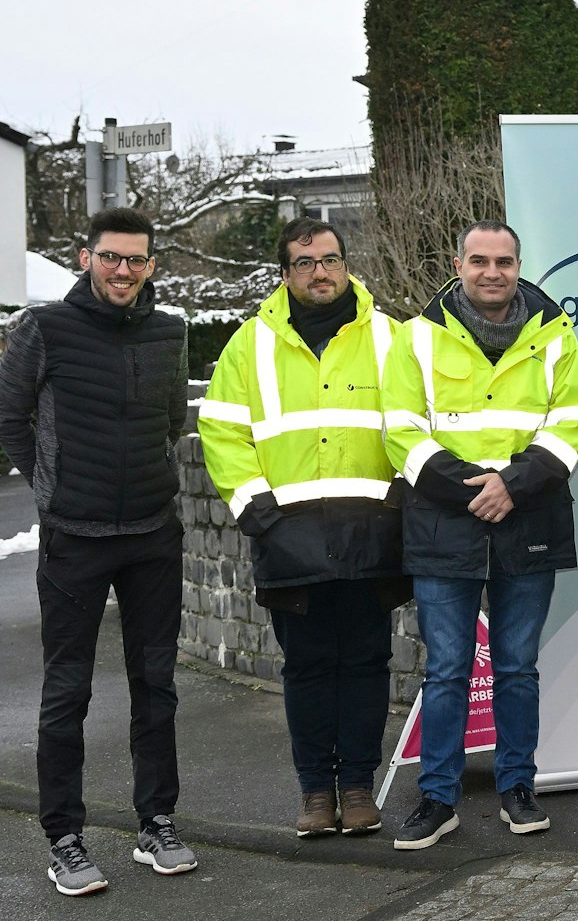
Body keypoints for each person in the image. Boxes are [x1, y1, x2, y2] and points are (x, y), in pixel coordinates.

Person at [0, 207, 197, 895]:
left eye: (136, 260)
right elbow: (6, 416)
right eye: (111, 257)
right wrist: (52, 488)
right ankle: (65, 838)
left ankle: (157, 822)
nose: (124, 270)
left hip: (151, 536)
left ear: (151, 266)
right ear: (86, 257)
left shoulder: (171, 332)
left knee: (157, 686)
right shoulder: (44, 329)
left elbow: (173, 420)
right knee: (67, 689)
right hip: (75, 539)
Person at [380, 220, 578, 850]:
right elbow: (400, 429)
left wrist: (515, 485)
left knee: (517, 668)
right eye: (479, 261)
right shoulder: (417, 337)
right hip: (445, 521)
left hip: (528, 517)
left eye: (504, 261)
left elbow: (574, 417)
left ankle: (517, 788)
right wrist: (475, 488)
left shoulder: (554, 332)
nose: (492, 272)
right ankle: (438, 798)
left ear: (519, 264)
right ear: (458, 264)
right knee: (445, 669)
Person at [197, 217, 409, 839]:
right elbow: (222, 428)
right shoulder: (250, 344)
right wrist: (252, 506)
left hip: (373, 532)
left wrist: (405, 490)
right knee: (309, 666)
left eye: (331, 259)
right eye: (306, 262)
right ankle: (317, 792)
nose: (322, 271)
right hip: (288, 535)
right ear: (285, 273)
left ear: (347, 263)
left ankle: (359, 788)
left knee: (368, 661)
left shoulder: (393, 338)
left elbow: (419, 418)